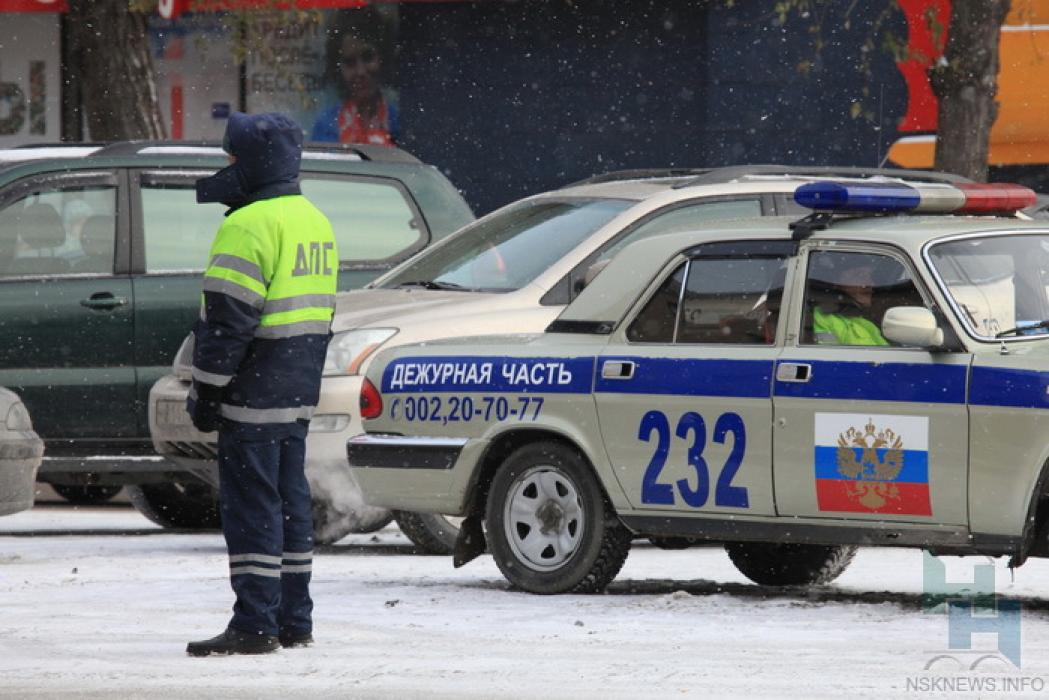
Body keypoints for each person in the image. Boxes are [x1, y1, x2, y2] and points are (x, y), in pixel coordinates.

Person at [185, 111, 338, 657]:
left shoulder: (247, 225)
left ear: (251, 162)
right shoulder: (313, 219)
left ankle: (254, 623)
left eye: (230, 157)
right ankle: (294, 619)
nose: (225, 166)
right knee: (290, 503)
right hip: (297, 387)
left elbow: (228, 320)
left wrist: (206, 389)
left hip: (251, 390)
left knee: (252, 508)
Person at [311, 8, 399, 146]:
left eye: (368, 57)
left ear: (383, 57)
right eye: (350, 62)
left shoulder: (399, 118)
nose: (361, 72)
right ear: (338, 69)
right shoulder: (327, 124)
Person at [811, 257, 889, 346]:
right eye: (860, 276)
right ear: (837, 284)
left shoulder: (868, 324)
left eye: (869, 276)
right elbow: (829, 356)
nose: (870, 283)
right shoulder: (822, 317)